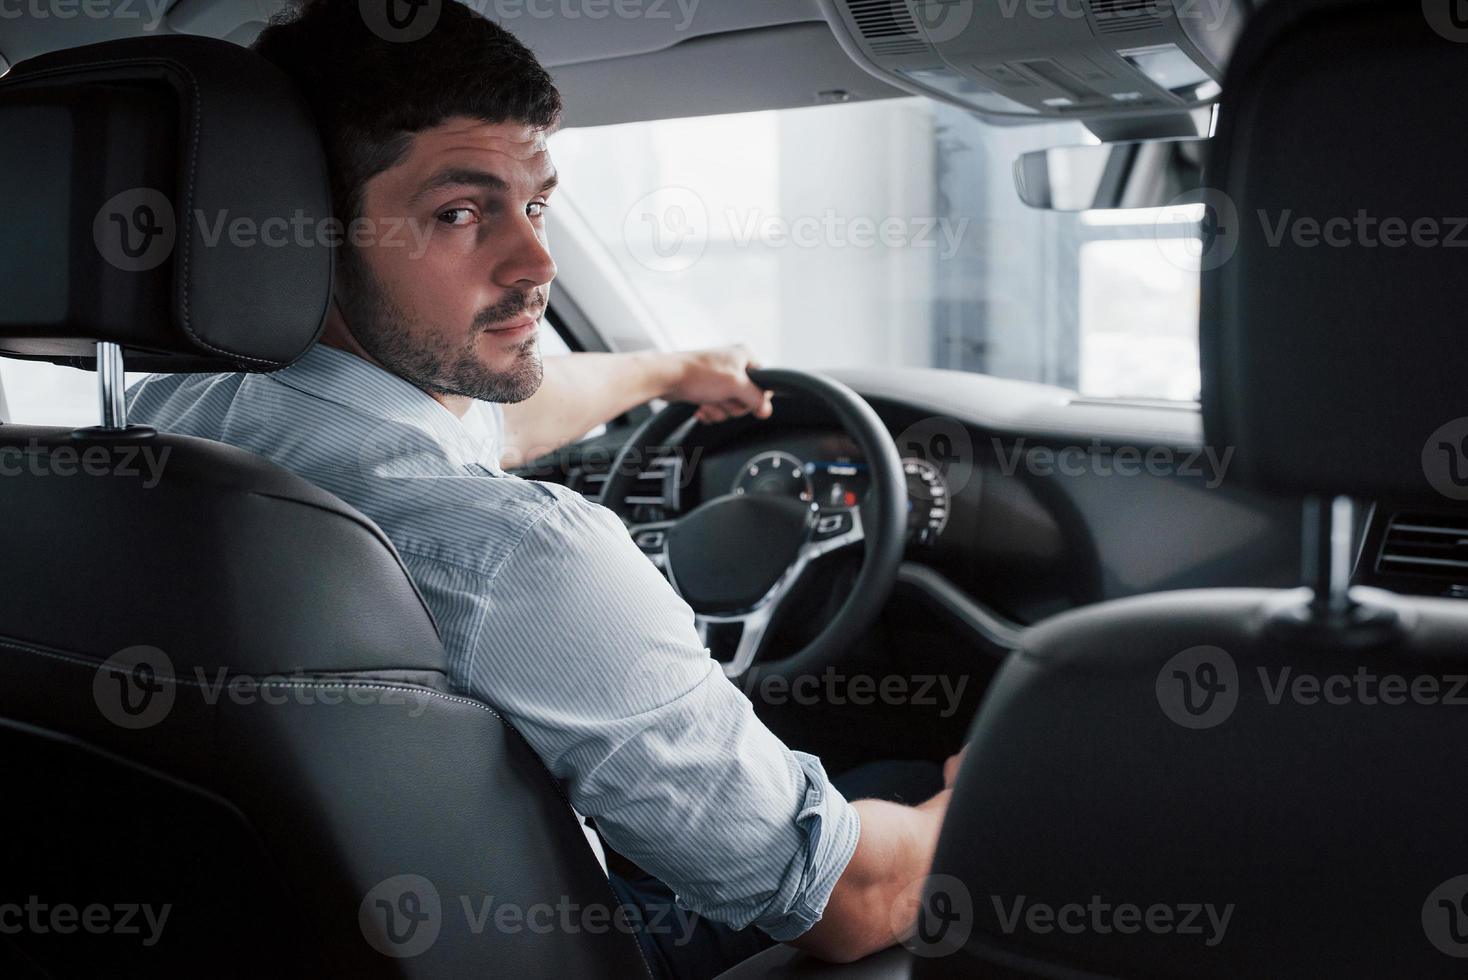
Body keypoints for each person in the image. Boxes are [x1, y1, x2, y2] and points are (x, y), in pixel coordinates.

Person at [128, 1, 957, 975]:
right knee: (909, 785)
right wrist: (984, 791)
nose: (536, 263)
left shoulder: (167, 420)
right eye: (460, 213)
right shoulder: (522, 555)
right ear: (303, 235)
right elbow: (847, 900)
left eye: (536, 205)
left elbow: (495, 415)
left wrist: (667, 369)